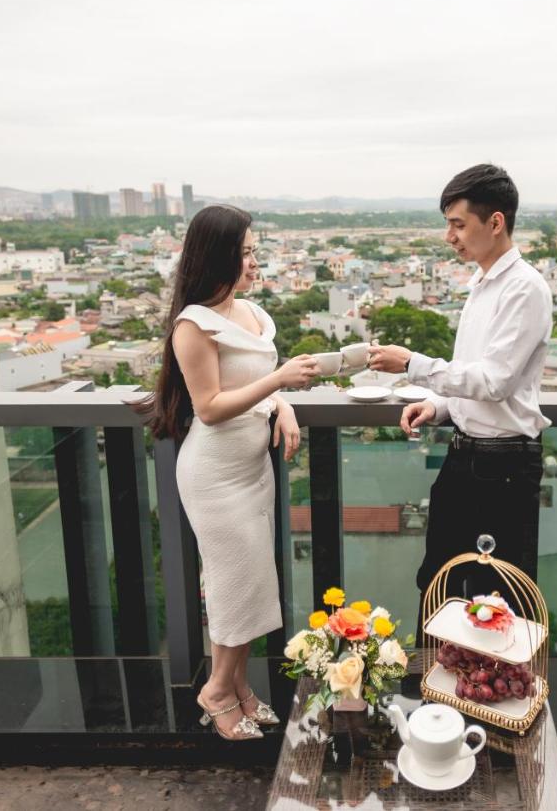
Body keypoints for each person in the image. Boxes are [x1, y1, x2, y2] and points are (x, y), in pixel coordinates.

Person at [134, 205, 318, 741]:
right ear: (217, 256)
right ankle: (216, 690)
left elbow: (258, 380)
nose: (254, 262)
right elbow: (211, 406)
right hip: (214, 475)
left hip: (252, 469)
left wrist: (282, 404)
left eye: (254, 250)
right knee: (234, 585)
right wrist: (281, 380)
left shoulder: (252, 313)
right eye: (245, 252)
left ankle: (238, 688)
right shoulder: (193, 326)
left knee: (252, 584)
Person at [368, 164, 552, 620]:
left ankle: (491, 689)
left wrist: (411, 365)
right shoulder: (482, 286)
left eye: (458, 224)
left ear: (495, 222)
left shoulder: (524, 288)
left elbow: (494, 382)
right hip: (466, 457)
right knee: (438, 577)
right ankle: (440, 683)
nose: (449, 236)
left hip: (505, 463)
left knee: (499, 592)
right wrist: (437, 406)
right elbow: (474, 377)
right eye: (448, 223)